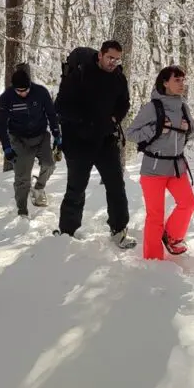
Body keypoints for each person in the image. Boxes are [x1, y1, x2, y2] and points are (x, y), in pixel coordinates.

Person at [55, 40, 135, 249]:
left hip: (105, 140)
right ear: (100, 55)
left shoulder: (118, 77)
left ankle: (119, 229)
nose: (113, 63)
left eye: (117, 59)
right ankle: (66, 232)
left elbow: (124, 102)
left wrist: (115, 119)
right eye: (110, 58)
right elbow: (61, 106)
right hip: (78, 140)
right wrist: (87, 120)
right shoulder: (79, 74)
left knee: (116, 184)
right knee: (76, 187)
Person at [126, 65, 194, 260]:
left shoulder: (183, 106)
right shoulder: (152, 107)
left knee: (189, 203)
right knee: (155, 216)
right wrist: (156, 129)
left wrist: (186, 128)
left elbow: (193, 132)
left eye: (183, 80)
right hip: (154, 169)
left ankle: (172, 237)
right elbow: (130, 134)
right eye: (177, 80)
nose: (182, 84)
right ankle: (153, 260)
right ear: (165, 82)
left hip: (176, 167)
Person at [0, 67, 62, 216]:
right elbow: (1, 125)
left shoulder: (41, 92)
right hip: (19, 140)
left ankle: (39, 188)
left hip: (40, 136)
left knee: (49, 164)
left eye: (26, 90)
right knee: (22, 177)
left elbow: (51, 114)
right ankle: (22, 210)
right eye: (19, 91)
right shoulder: (5, 99)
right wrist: (6, 147)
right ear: (13, 88)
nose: (23, 93)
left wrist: (57, 136)